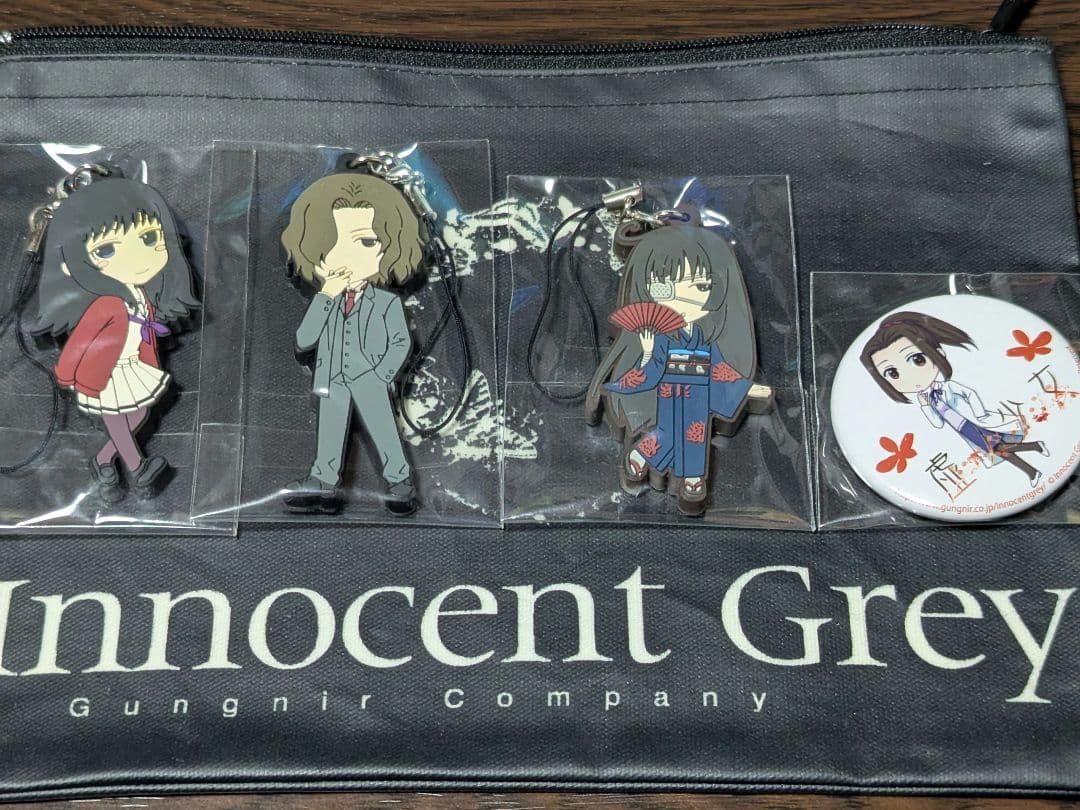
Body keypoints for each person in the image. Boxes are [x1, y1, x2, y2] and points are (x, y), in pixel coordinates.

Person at [32, 174, 199, 501]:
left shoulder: (143, 295)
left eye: (149, 238)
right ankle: (137, 466)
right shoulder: (105, 304)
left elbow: (145, 333)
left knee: (140, 414)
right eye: (107, 249)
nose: (137, 258)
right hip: (104, 373)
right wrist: (67, 374)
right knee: (121, 419)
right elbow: (81, 342)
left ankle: (104, 460)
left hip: (133, 366)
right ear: (70, 263)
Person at [587, 223, 772, 516]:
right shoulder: (659, 337)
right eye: (667, 286)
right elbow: (651, 370)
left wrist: (746, 387)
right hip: (670, 393)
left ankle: (689, 477)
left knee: (696, 434)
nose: (687, 298)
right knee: (671, 431)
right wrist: (648, 351)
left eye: (701, 286)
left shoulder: (704, 339)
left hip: (699, 394)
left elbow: (720, 369)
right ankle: (651, 456)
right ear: (651, 288)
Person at [280, 172, 425, 515]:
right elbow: (304, 339)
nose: (347, 255)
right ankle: (323, 481)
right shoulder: (325, 299)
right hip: (331, 379)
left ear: (387, 247)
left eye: (366, 242)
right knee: (329, 435)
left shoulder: (387, 302)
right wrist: (326, 295)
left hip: (371, 381)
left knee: (385, 432)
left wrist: (382, 375)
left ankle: (400, 481)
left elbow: (401, 342)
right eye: (333, 242)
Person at [860, 311, 1048, 485]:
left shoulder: (947, 387)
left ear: (939, 353)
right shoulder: (928, 399)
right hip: (963, 430)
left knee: (996, 449)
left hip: (974, 424)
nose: (910, 378)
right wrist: (925, 406)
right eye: (892, 373)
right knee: (998, 449)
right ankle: (1033, 461)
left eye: (918, 360)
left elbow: (970, 393)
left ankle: (1033, 459)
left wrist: (980, 414)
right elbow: (938, 424)